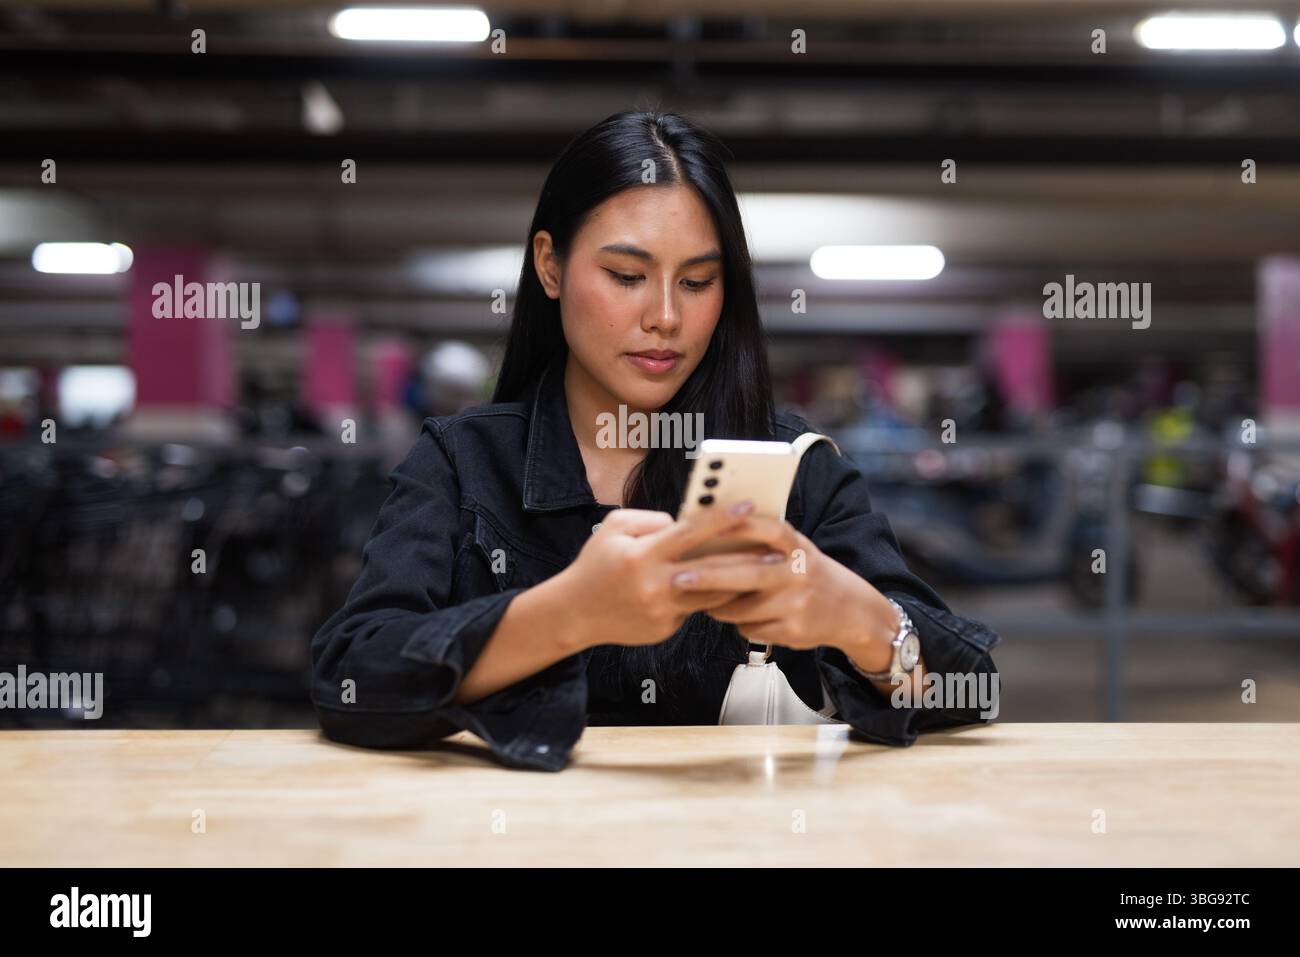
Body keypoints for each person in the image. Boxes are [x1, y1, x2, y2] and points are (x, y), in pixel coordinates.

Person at [310, 110, 1001, 771]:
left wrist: (861, 620)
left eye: (697, 282)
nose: (666, 316)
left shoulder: (794, 469)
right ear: (550, 265)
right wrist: (568, 612)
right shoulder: (463, 463)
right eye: (627, 276)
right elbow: (351, 677)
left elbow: (971, 689)